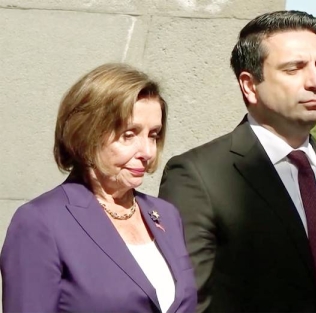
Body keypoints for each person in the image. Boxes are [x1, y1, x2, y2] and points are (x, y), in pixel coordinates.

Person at [158, 10, 316, 312]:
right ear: (249, 85)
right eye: (294, 69)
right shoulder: (198, 176)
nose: (314, 81)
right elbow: (191, 302)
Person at [0, 63, 197, 312]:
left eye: (153, 135)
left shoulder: (165, 214)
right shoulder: (41, 222)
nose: (146, 151)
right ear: (87, 134)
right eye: (129, 134)